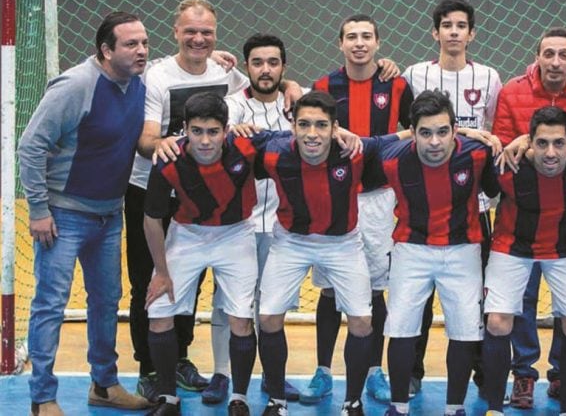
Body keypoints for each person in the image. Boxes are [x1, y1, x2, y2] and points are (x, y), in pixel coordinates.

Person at [18, 11, 151, 415]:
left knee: (106, 301)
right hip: (63, 216)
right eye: (131, 44)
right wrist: (39, 210)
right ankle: (42, 398)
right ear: (106, 50)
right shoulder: (76, 85)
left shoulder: (139, 80)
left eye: (145, 42)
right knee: (50, 304)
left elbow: (185, 63)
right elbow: (30, 146)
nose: (142, 50)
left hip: (110, 215)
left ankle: (105, 385)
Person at [125, 0, 246, 403]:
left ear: (215, 35)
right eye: (190, 31)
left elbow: (262, 91)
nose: (198, 38)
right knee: (150, 279)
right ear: (175, 32)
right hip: (151, 190)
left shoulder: (225, 73)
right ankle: (149, 366)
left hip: (200, 196)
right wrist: (163, 145)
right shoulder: (157, 77)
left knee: (190, 282)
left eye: (206, 32)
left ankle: (178, 358)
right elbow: (145, 138)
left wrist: (292, 88)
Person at [142, 92, 292, 416]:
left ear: (226, 129)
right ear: (185, 129)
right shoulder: (168, 158)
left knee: (240, 318)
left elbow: (299, 138)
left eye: (213, 131)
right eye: (197, 131)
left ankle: (238, 398)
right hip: (186, 235)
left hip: (236, 234)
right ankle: (168, 398)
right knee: (158, 314)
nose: (205, 140)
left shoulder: (247, 146)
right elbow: (152, 219)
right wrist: (162, 272)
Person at [491, 26, 566, 409]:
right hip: (520, 216)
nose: (556, 62)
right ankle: (524, 374)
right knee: (519, 302)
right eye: (549, 54)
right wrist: (528, 143)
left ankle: (563, 376)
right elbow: (504, 148)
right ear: (537, 56)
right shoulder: (513, 91)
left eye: (564, 55)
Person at [257, 91, 401, 416]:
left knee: (363, 322)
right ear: (291, 125)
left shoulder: (356, 152)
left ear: (335, 128)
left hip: (343, 243)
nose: (312, 133)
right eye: (304, 124)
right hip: (291, 241)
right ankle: (276, 401)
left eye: (322, 125)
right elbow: (238, 136)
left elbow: (404, 135)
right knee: (267, 318)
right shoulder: (272, 152)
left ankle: (352, 402)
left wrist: (469, 132)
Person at [306, 14, 413, 404]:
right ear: (340, 44)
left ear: (378, 42)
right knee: (331, 288)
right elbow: (310, 126)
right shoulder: (323, 86)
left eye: (366, 36)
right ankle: (322, 370)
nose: (359, 43)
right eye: (351, 36)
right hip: (334, 196)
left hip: (380, 200)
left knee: (376, 288)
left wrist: (376, 145)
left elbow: (418, 129)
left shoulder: (397, 84)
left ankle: (374, 371)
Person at [377, 90, 500, 416]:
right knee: (401, 328)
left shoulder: (478, 154)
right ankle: (398, 406)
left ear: (455, 130)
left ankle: (454, 408)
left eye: (443, 131)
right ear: (413, 133)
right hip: (410, 249)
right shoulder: (390, 159)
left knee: (464, 330)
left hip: (463, 251)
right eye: (425, 133)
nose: (434, 141)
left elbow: (494, 190)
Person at [402, 0, 502, 397]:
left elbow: (489, 131)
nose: (454, 32)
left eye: (462, 25)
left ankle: (478, 369)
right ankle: (411, 371)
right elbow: (407, 130)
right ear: (435, 32)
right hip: (422, 204)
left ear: (472, 33)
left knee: (473, 295)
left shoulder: (490, 78)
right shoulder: (413, 74)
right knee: (418, 297)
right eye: (447, 25)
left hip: (472, 207)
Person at [225, 32, 303, 402]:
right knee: (230, 305)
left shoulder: (296, 108)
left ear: (284, 67)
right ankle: (223, 376)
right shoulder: (232, 107)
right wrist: (230, 131)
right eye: (258, 62)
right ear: (246, 68)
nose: (266, 69)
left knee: (272, 306)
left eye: (273, 62)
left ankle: (275, 378)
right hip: (237, 225)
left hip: (281, 225)